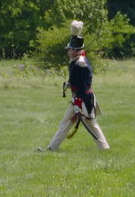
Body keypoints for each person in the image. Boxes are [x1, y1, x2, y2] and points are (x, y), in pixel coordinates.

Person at [41, 21, 110, 151]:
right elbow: (77, 81)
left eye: (70, 49)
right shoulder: (77, 61)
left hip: (82, 99)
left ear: (75, 50)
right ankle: (51, 148)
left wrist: (78, 103)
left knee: (91, 124)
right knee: (65, 123)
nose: (68, 51)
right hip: (79, 98)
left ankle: (105, 148)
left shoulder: (80, 63)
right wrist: (70, 84)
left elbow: (83, 86)